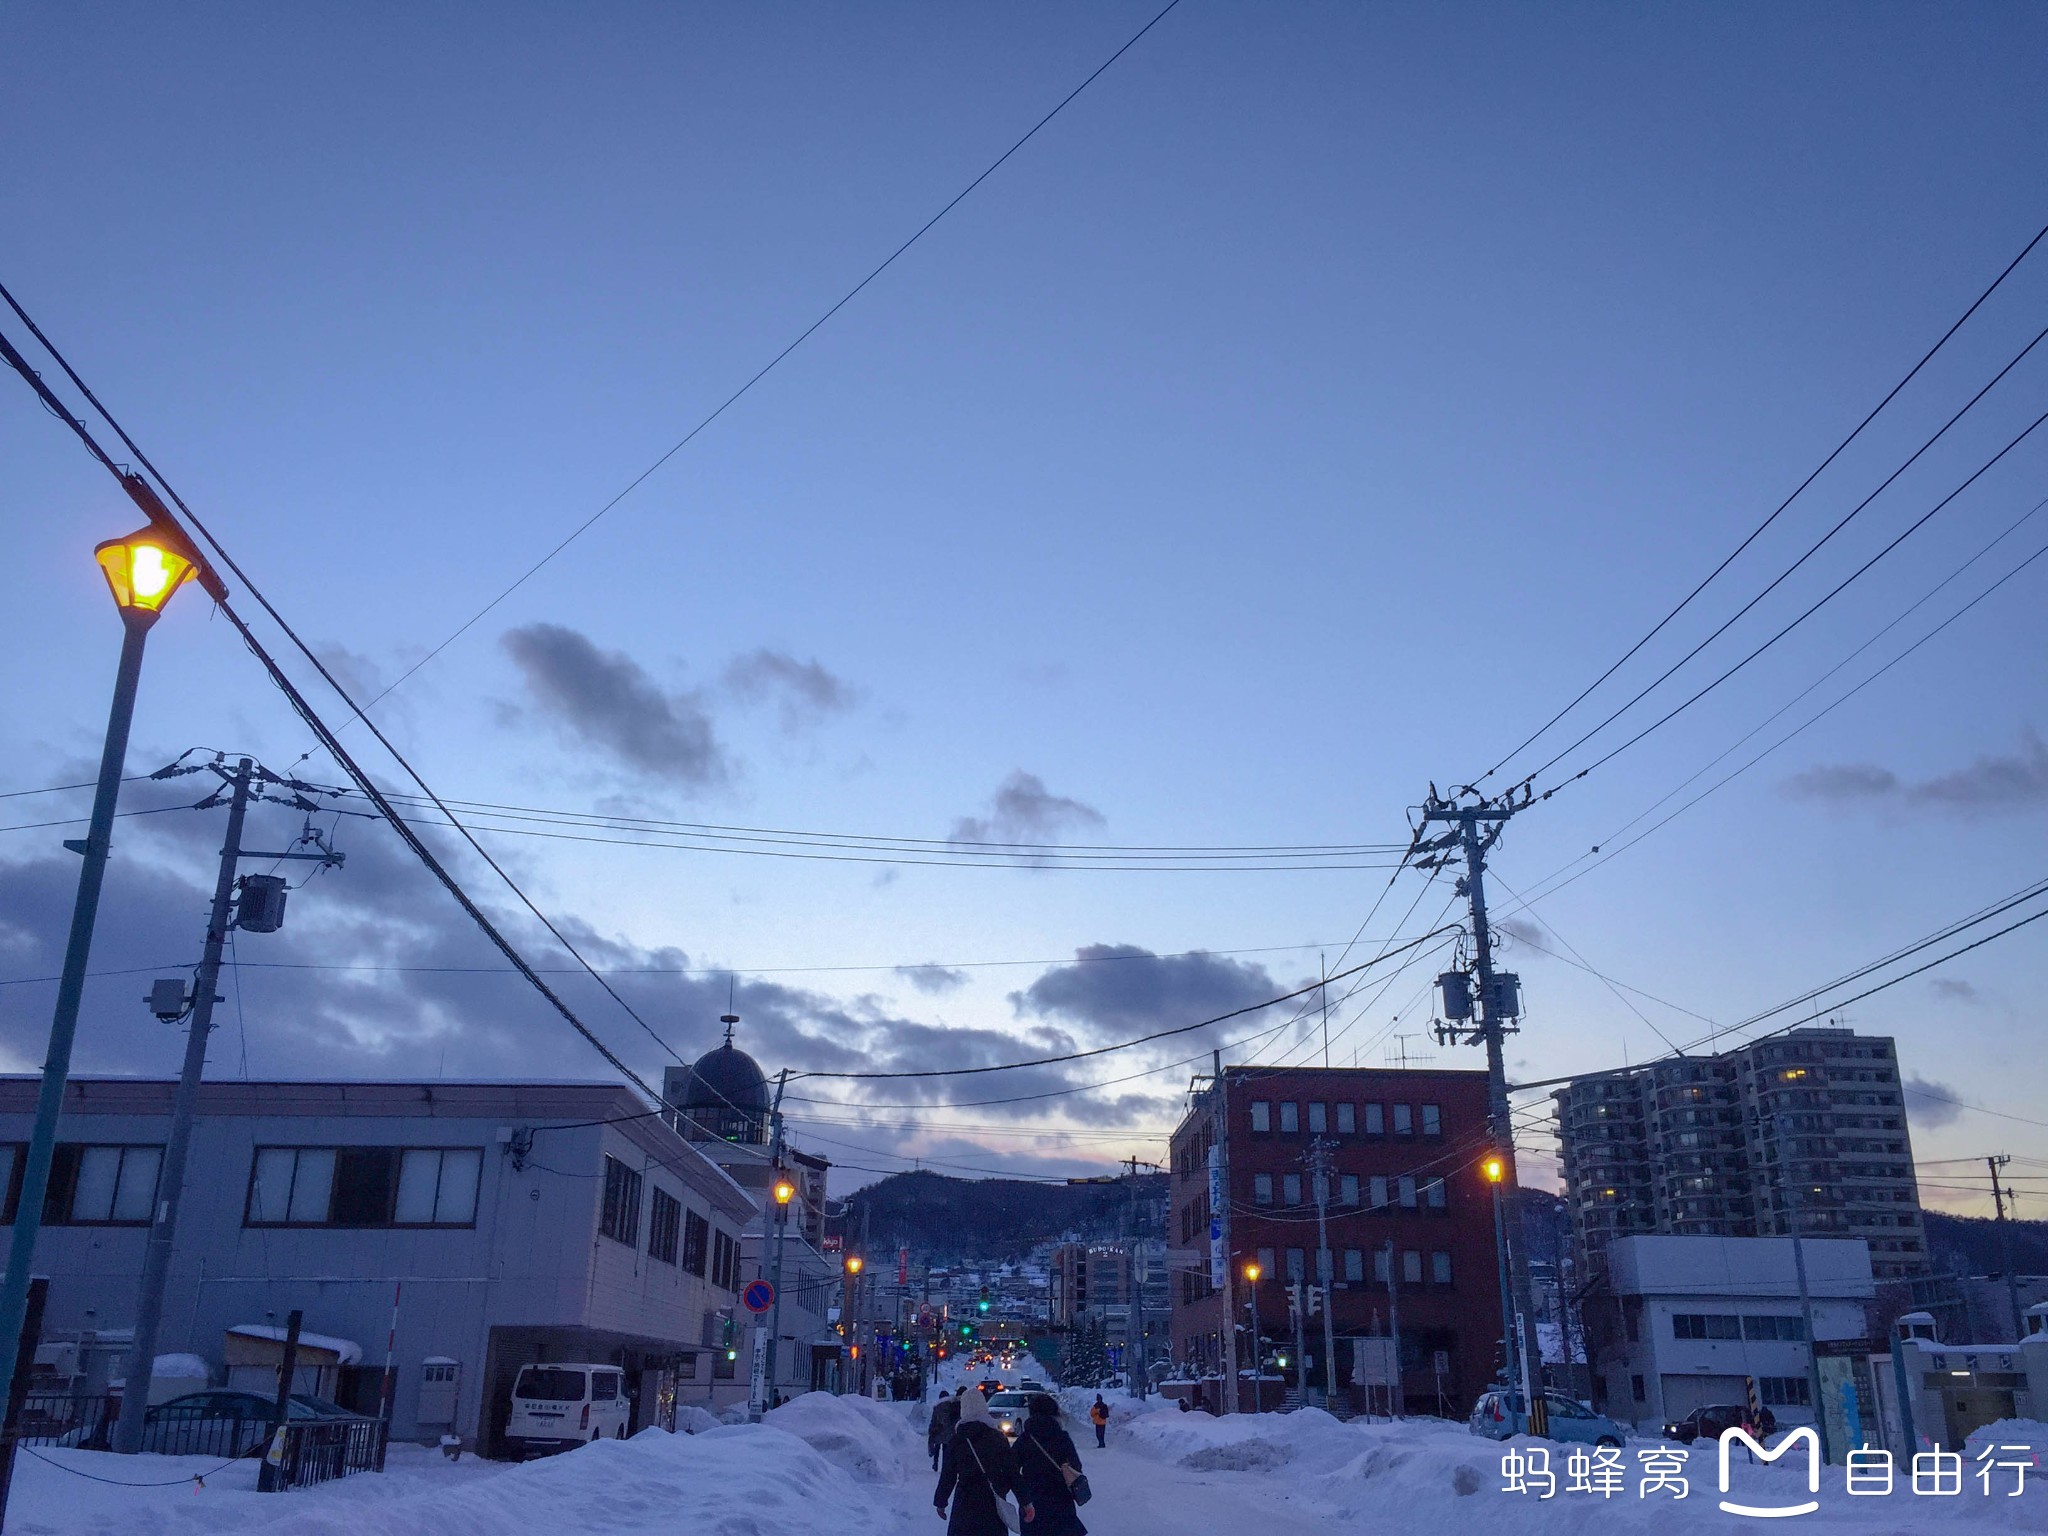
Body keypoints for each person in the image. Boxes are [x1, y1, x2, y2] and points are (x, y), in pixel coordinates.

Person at [936, 1386, 1025, 1534]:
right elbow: (1012, 1472)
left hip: (965, 1502)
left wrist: (940, 1502)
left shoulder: (957, 1440)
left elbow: (948, 1475)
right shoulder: (997, 1438)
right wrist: (1025, 1501)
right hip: (993, 1501)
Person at [1015, 1395, 1087, 1535]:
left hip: (1033, 1502)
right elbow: (1076, 1467)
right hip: (1061, 1501)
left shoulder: (1024, 1439)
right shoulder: (1062, 1437)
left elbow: (1012, 1470)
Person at [928, 1387, 965, 1471]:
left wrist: (931, 1430)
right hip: (947, 1432)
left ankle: (935, 1463)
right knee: (946, 1450)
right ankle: (945, 1465)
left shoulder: (937, 1407)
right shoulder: (952, 1405)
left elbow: (933, 1420)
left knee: (937, 1448)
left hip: (938, 1431)